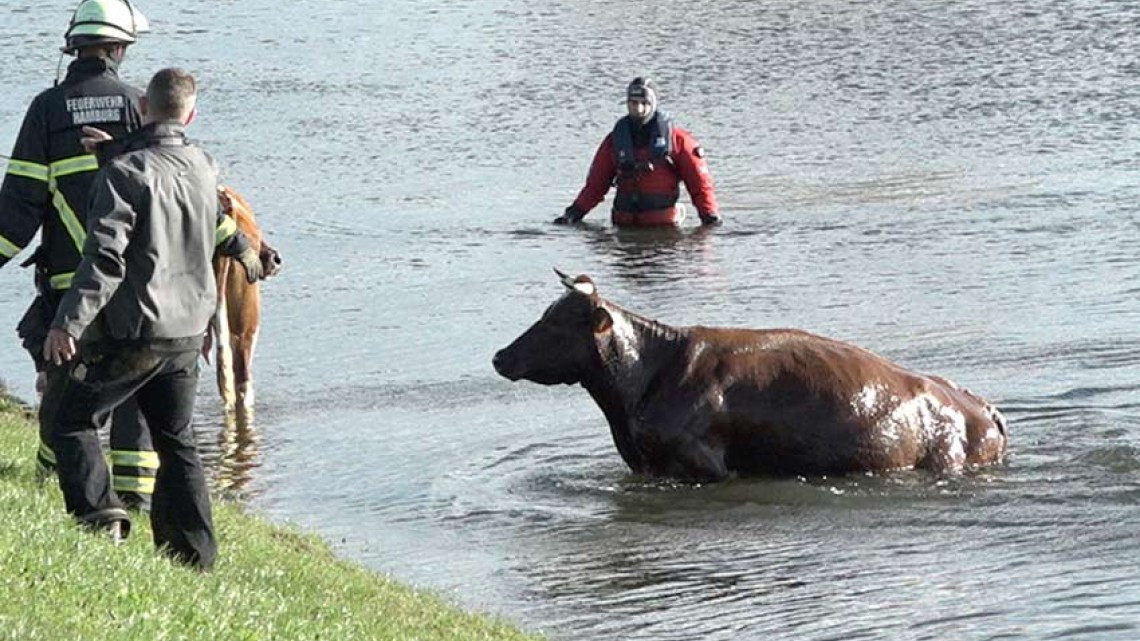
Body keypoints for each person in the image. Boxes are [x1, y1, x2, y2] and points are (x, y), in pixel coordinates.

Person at [43, 67, 263, 570]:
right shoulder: (204, 165)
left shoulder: (123, 174)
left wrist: (67, 325)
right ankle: (194, 557)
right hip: (187, 335)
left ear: (142, 106)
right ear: (192, 113)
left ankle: (101, 519)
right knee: (176, 438)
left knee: (70, 420)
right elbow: (199, 205)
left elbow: (105, 259)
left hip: (133, 333)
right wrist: (249, 250)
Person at [0, 0, 160, 510]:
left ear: (74, 45)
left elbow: (19, 209)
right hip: (134, 286)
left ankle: (62, 480)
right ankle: (136, 498)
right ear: (119, 48)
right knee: (133, 392)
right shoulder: (139, 105)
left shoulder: (46, 109)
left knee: (69, 395)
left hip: (70, 286)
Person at [555, 77, 721, 227]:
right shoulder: (614, 141)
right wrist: (573, 213)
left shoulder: (678, 141)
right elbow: (595, 186)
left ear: (653, 104)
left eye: (644, 103)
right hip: (623, 225)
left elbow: (700, 186)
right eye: (633, 103)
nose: (639, 108)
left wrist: (709, 217)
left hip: (664, 229)